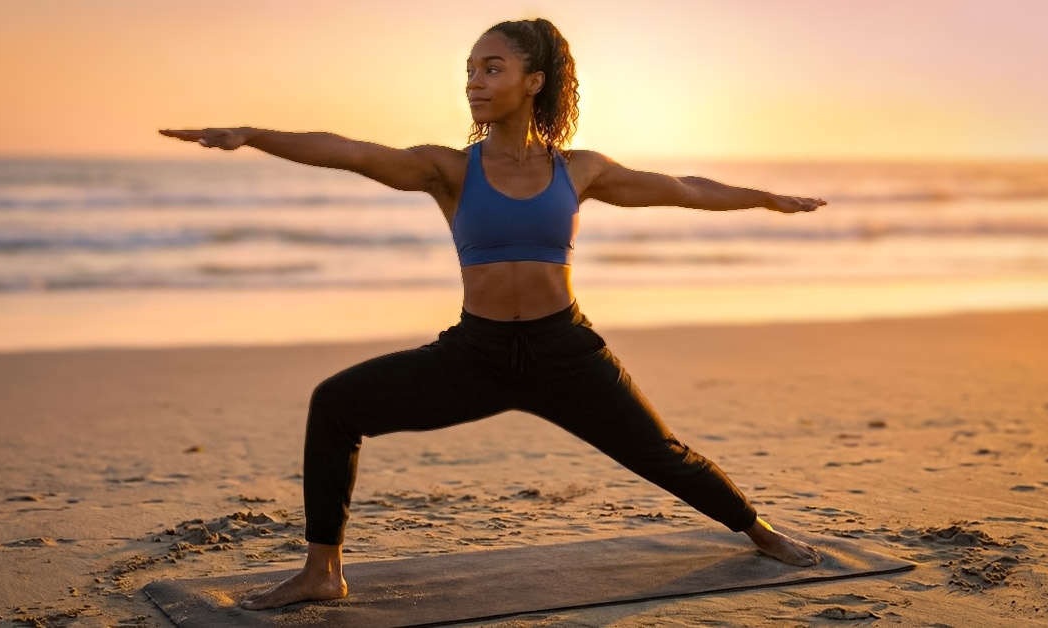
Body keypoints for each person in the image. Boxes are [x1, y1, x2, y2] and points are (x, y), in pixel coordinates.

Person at [160, 17, 826, 611]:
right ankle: (321, 572)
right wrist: (254, 135)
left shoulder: (580, 169)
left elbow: (683, 188)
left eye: (492, 68)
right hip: (475, 355)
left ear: (533, 82)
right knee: (335, 404)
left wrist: (766, 198)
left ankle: (761, 531)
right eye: (470, 70)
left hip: (565, 352)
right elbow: (351, 151)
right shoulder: (448, 169)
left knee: (663, 455)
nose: (475, 83)